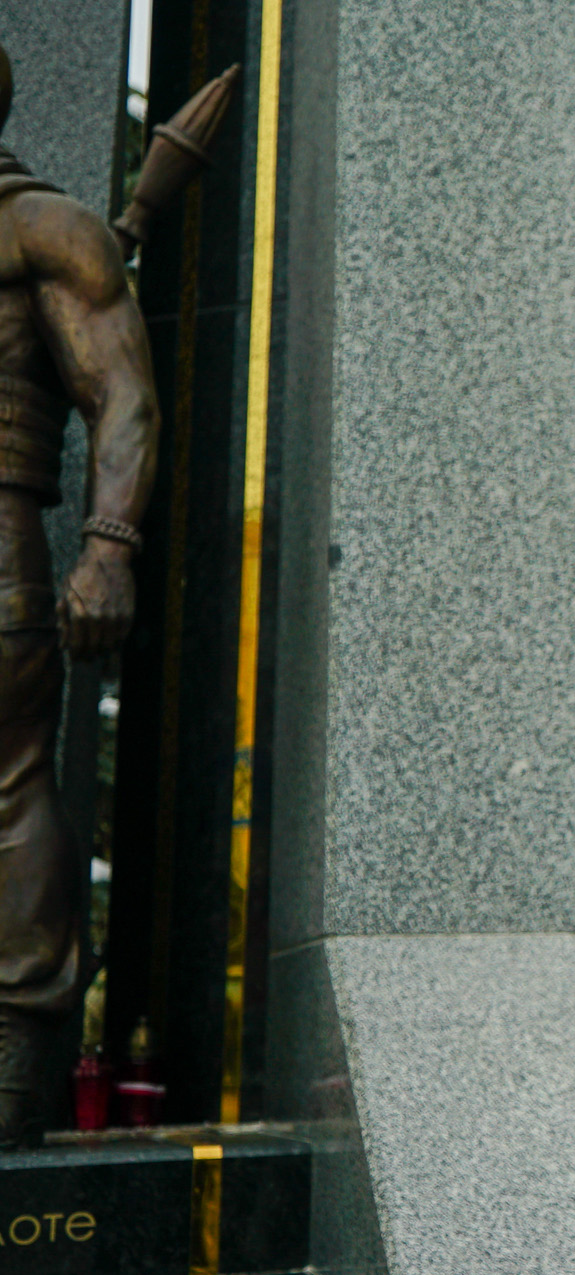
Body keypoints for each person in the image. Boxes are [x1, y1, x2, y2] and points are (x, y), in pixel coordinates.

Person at [0, 48, 159, 1149]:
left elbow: (124, 394)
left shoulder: (44, 228)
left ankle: (12, 1051)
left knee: (6, 795)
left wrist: (107, 544)